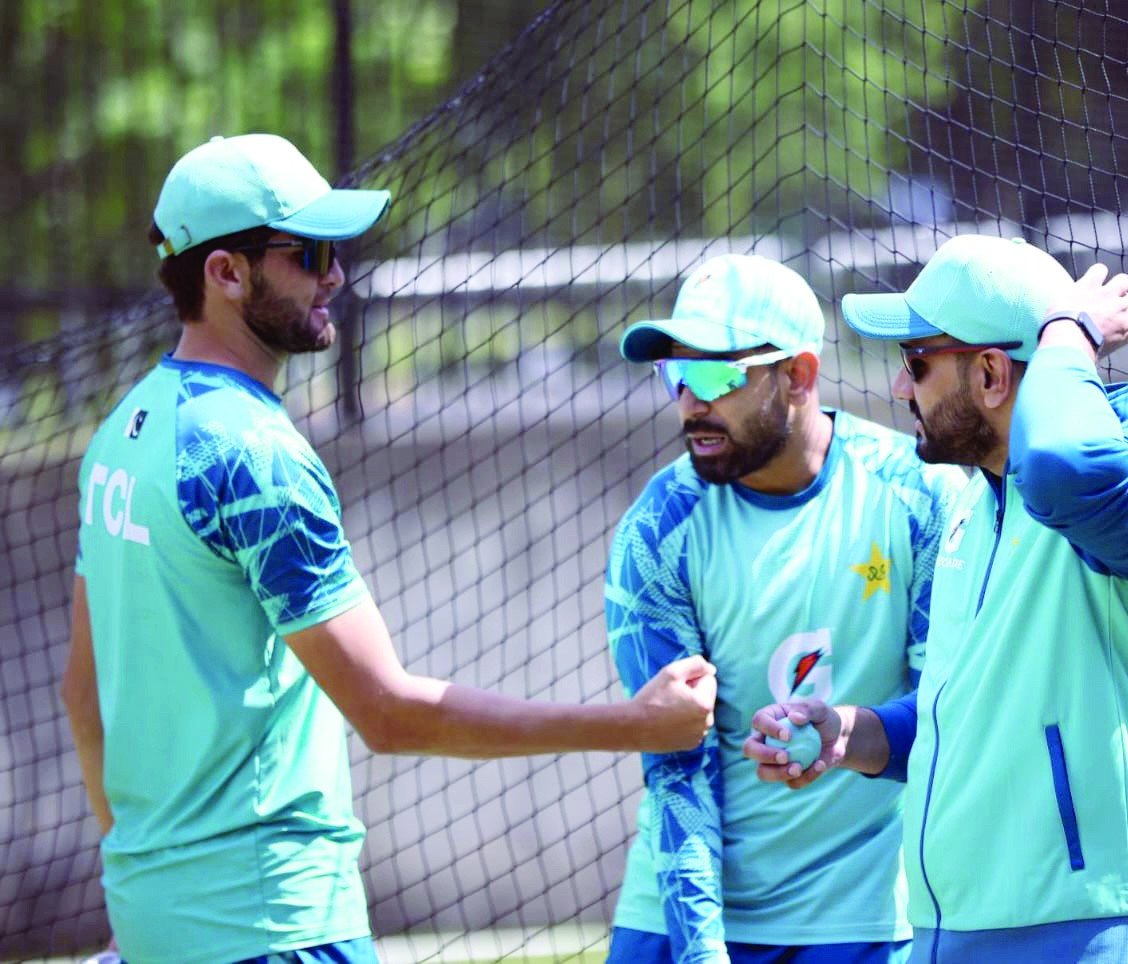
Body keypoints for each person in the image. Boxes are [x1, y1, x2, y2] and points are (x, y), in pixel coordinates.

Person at [60, 133, 718, 964]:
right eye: (308, 252)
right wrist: (635, 724)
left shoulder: (121, 435)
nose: (335, 273)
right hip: (276, 929)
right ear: (225, 273)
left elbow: (83, 695)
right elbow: (389, 712)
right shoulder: (252, 456)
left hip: (158, 922)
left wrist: (149, 892)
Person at [745, 235, 1128, 964]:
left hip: (1088, 935)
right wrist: (852, 733)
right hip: (954, 937)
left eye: (917, 363)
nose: (901, 388)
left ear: (992, 374)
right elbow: (965, 716)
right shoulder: (971, 504)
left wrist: (1070, 334)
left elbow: (1063, 461)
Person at [604, 254, 966, 963]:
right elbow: (678, 765)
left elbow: (947, 716)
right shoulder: (657, 531)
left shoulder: (920, 497)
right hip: (678, 919)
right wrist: (703, 954)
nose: (688, 403)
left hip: (856, 924)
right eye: (675, 375)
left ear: (798, 376)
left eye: (713, 375)